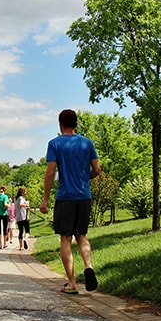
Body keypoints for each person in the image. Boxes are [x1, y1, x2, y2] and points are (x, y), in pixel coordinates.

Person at [40, 109, 101, 295]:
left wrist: (45, 199)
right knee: (81, 235)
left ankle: (72, 282)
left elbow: (50, 172)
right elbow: (97, 169)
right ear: (76, 124)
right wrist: (84, 178)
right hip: (84, 196)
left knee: (65, 238)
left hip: (65, 197)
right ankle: (88, 266)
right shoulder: (87, 143)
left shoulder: (55, 144)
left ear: (60, 124)